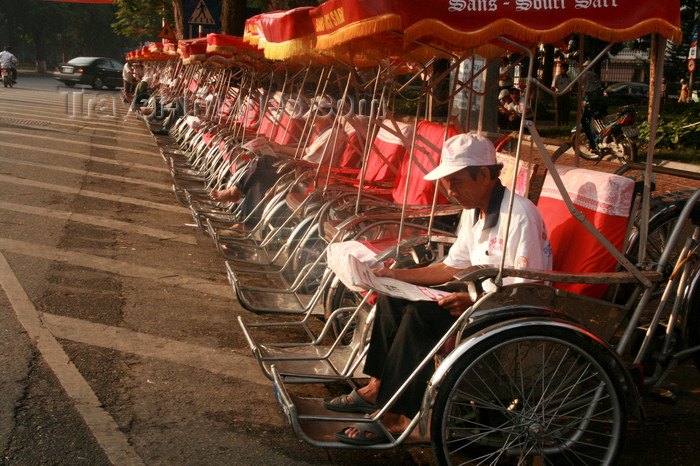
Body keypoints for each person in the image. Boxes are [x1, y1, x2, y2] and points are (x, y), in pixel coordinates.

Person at [324, 133, 553, 445]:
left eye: (456, 181)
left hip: (507, 314)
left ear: (484, 175)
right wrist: (393, 276)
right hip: (479, 303)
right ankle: (380, 386)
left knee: (421, 316)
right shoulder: (475, 211)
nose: (450, 190)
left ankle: (396, 415)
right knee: (393, 298)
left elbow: (526, 289)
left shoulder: (520, 215)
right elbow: (451, 267)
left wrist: (474, 299)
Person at [209, 106, 347, 229]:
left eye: (315, 116)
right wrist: (280, 148)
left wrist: (285, 158)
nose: (311, 121)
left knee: (264, 161)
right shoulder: (327, 133)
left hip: (307, 174)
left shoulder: (333, 134)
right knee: (260, 179)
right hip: (302, 168)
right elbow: (307, 152)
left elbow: (310, 159)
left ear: (326, 115)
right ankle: (246, 224)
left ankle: (236, 191)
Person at [579, 62, 607, 150]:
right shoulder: (595, 75)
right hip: (594, 95)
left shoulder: (584, 75)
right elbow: (599, 86)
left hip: (587, 95)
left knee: (585, 114)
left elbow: (581, 86)